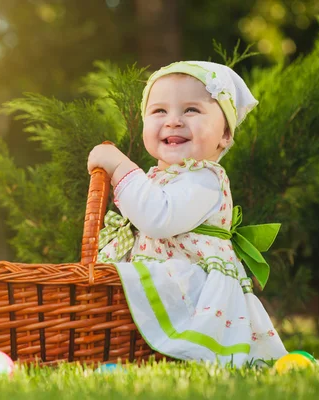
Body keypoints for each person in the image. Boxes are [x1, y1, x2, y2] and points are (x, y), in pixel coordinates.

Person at [87, 61, 288, 366]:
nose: (173, 121)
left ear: (225, 136)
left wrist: (120, 167)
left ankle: (186, 351)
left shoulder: (205, 179)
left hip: (195, 295)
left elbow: (157, 217)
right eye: (159, 111)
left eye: (191, 110)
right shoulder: (160, 178)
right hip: (168, 289)